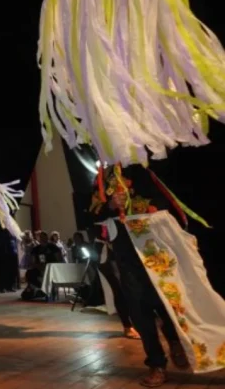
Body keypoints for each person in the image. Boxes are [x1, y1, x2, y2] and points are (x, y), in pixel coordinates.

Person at [91, 165, 191, 387]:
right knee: (138, 308)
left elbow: (165, 200)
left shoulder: (143, 170)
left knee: (165, 301)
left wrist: (147, 210)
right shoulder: (101, 178)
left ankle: (174, 338)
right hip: (126, 255)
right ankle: (156, 364)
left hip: (155, 248)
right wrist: (110, 205)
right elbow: (92, 213)